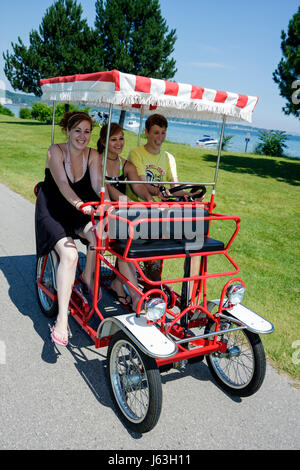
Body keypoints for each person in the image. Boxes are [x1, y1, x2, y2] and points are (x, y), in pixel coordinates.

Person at [35, 111, 108, 347]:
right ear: (68, 130)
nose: (83, 136)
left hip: (80, 210)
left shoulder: (94, 155)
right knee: (70, 254)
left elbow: (98, 186)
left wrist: (108, 206)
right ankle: (62, 319)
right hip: (53, 208)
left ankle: (87, 277)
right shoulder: (54, 151)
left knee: (100, 235)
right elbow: (63, 184)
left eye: (87, 131)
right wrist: (80, 204)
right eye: (78, 130)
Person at [126, 113, 203, 292]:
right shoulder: (136, 154)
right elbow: (144, 184)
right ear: (146, 132)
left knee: (197, 239)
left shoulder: (169, 157)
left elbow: (174, 186)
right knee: (156, 240)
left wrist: (191, 195)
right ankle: (153, 289)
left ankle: (189, 296)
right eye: (155, 133)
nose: (159, 138)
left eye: (163, 133)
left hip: (162, 209)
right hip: (140, 209)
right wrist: (163, 193)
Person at [97, 122, 153, 310]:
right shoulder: (97, 161)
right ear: (104, 142)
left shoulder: (125, 165)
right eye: (114, 139)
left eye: (121, 138)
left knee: (136, 241)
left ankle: (120, 283)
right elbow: (109, 189)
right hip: (101, 210)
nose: (119, 142)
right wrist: (128, 203)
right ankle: (136, 297)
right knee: (126, 244)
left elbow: (138, 185)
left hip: (121, 211)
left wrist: (148, 199)